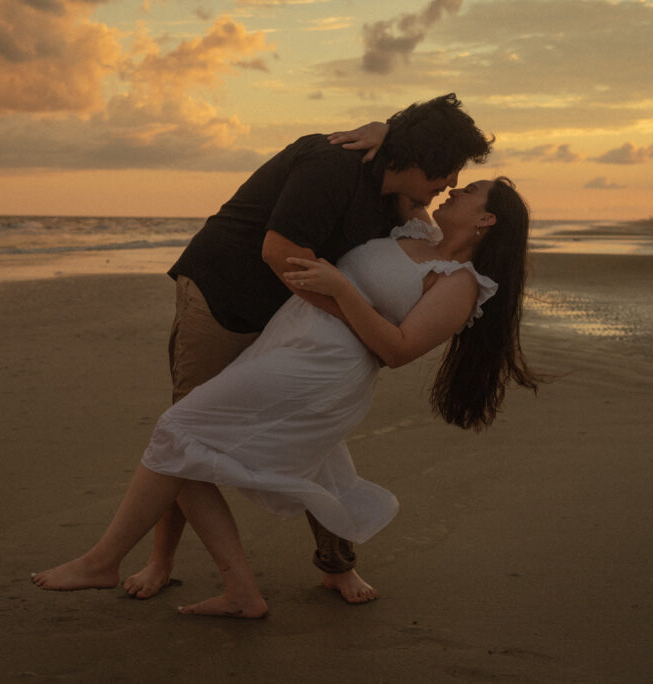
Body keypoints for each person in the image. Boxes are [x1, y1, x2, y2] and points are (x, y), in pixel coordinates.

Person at [32, 177, 540, 619]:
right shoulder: (417, 228)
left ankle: (104, 562)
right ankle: (244, 593)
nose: (453, 189)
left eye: (470, 192)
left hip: (321, 372)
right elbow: (405, 168)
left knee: (178, 434)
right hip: (288, 341)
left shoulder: (462, 285)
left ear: (487, 219)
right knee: (193, 445)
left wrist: (342, 290)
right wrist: (378, 127)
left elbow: (399, 350)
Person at [127, 93, 493, 605]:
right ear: (421, 159)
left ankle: (336, 563)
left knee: (307, 437)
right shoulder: (333, 166)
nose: (451, 183)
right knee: (188, 428)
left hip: (294, 316)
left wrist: (387, 130)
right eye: (450, 169)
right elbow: (279, 251)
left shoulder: (400, 196)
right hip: (222, 299)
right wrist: (349, 310)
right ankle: (160, 560)